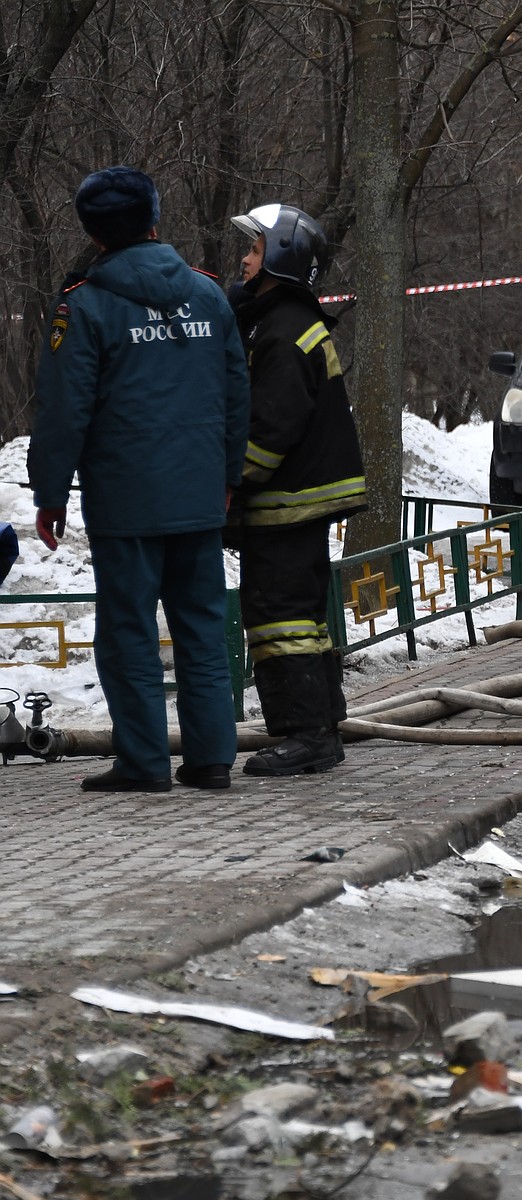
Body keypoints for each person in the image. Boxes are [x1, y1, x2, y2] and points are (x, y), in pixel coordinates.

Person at [27, 166, 251, 792]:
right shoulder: (209, 296)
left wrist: (49, 493)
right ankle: (211, 760)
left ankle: (144, 762)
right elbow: (237, 395)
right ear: (154, 221)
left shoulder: (85, 305)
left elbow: (64, 411)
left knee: (128, 633)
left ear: (94, 235)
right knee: (203, 628)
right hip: (200, 494)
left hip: (125, 500)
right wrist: (227, 474)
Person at [228, 203, 367, 776]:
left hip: (286, 504)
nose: (244, 258)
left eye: (255, 248)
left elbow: (272, 428)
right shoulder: (282, 319)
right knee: (299, 618)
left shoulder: (283, 330)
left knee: (281, 616)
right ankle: (315, 725)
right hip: (296, 504)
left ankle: (308, 735)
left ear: (281, 256)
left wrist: (231, 480)